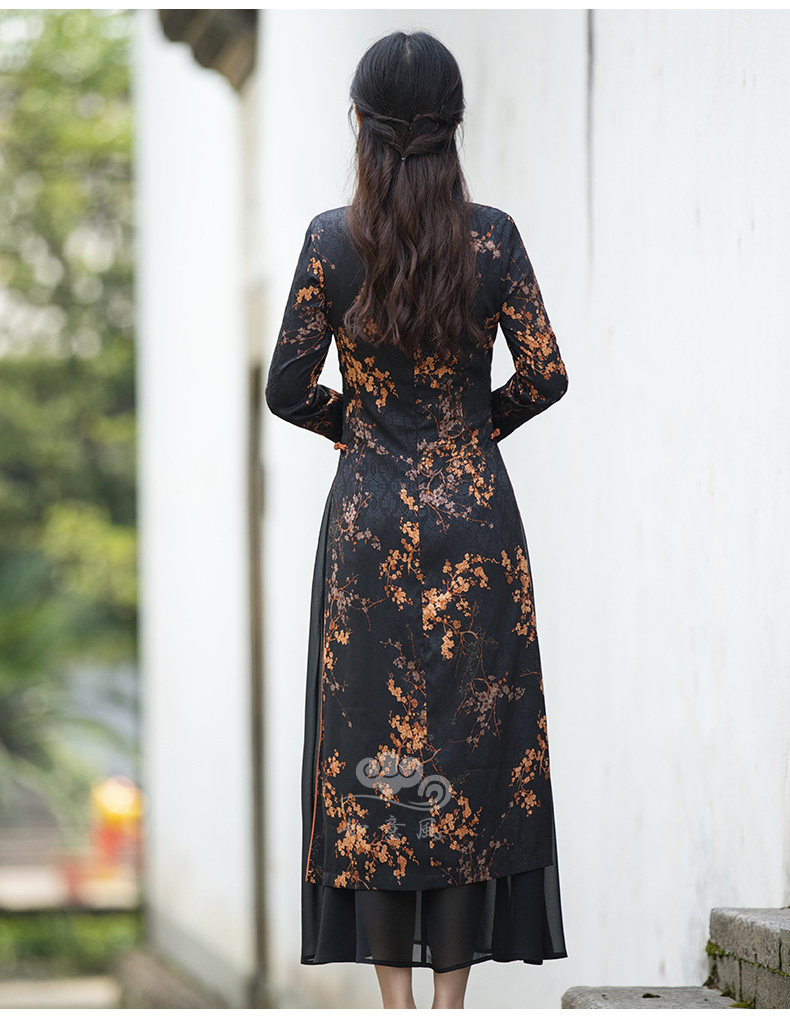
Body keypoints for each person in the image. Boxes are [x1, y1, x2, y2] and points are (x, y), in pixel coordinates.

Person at [265, 29, 569, 1011]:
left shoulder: (330, 241)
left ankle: (393, 1005)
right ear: (454, 125)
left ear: (359, 122)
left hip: (368, 522)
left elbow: (284, 388)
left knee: (377, 751)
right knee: (473, 749)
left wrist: (359, 428)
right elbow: (545, 374)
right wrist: (471, 432)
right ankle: (450, 1006)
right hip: (476, 519)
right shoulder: (493, 238)